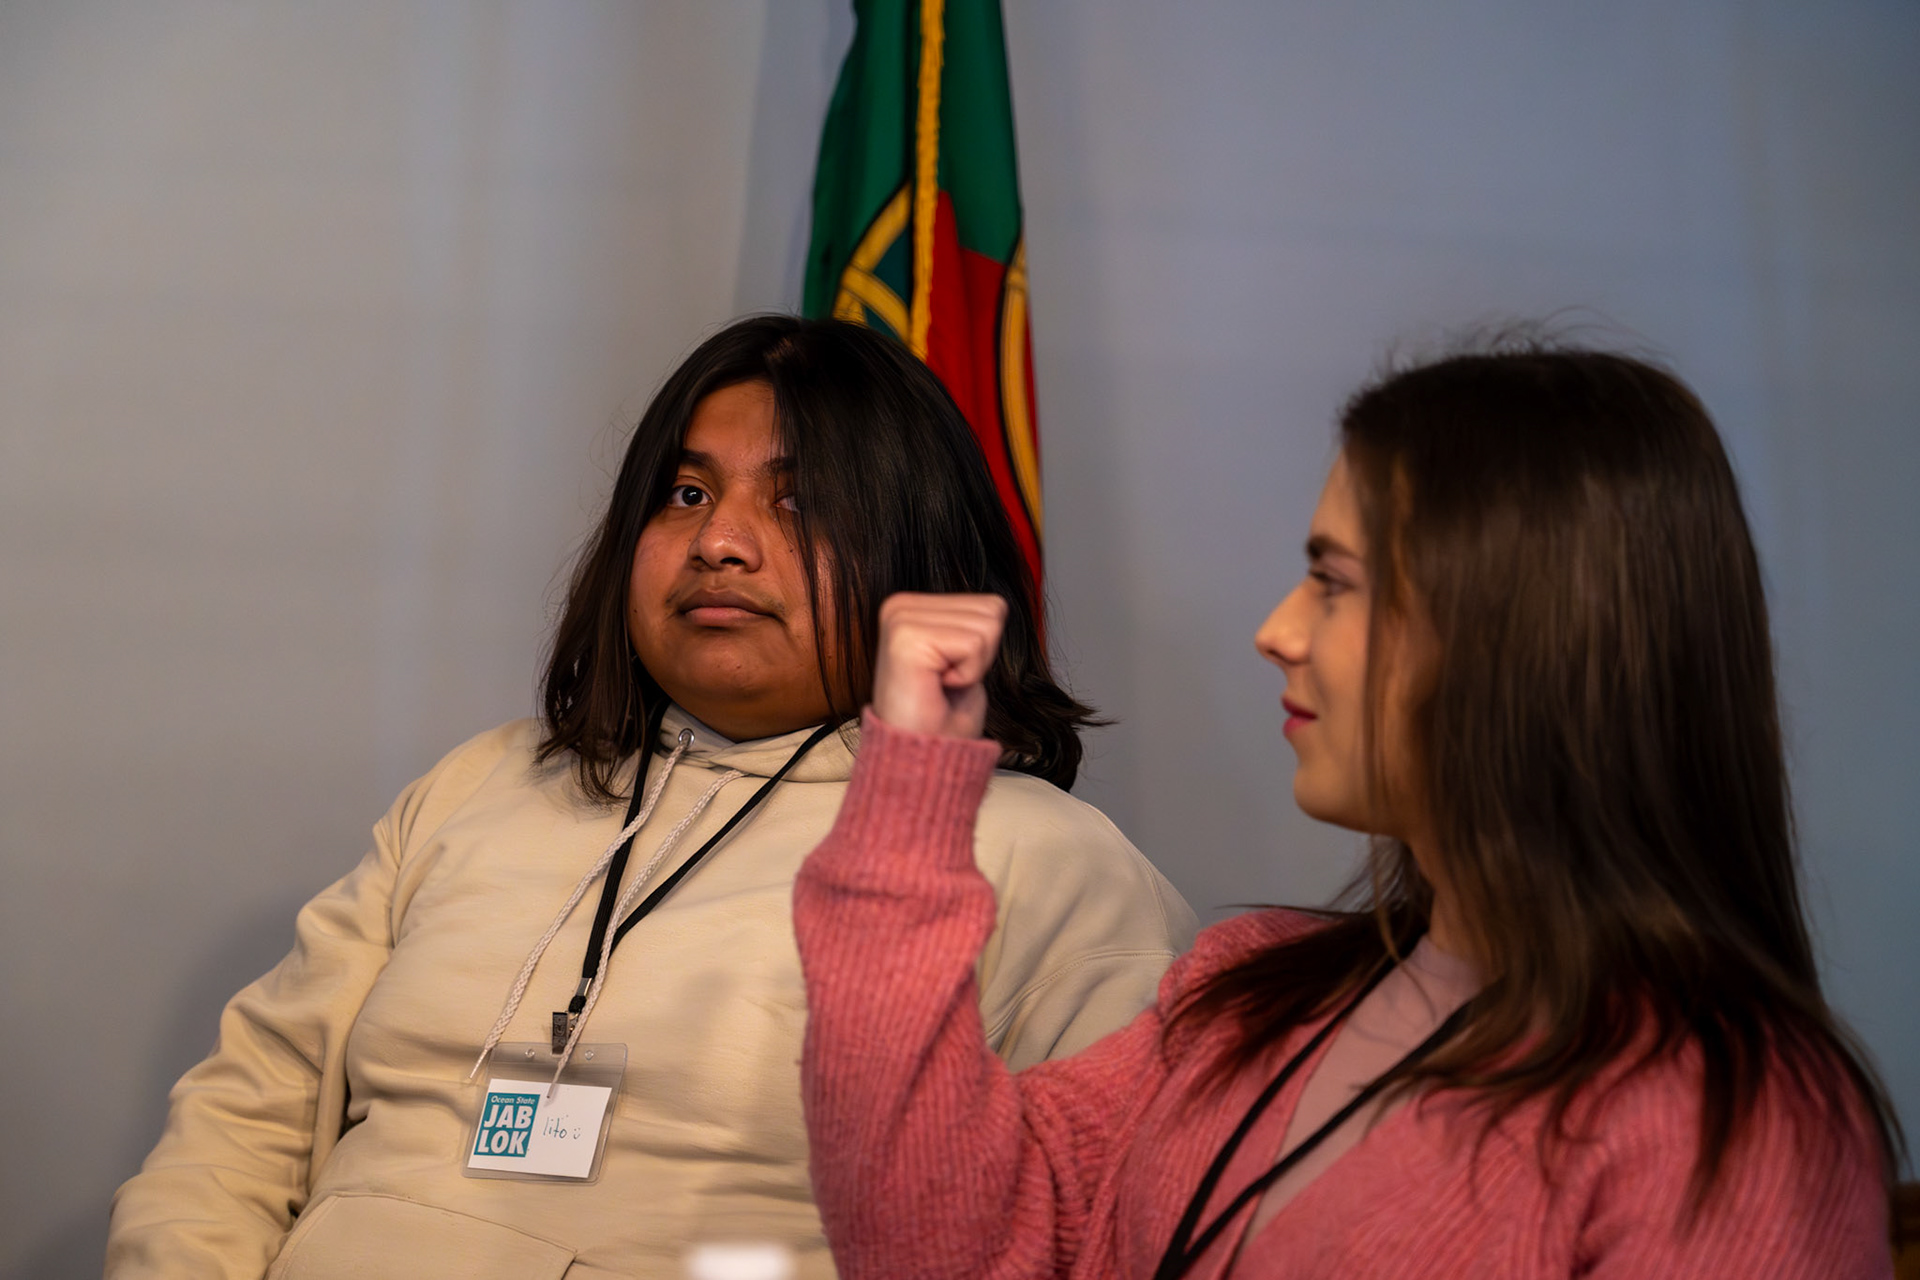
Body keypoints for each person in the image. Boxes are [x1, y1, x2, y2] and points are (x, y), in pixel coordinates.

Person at [106, 315, 1197, 1279]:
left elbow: (1089, 1236)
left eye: (798, 502)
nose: (719, 542)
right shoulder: (481, 784)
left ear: (919, 556)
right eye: (687, 494)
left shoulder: (1049, 862)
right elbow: (247, 1117)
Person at [794, 342, 1903, 1279]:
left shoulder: (1734, 1124)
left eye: (1333, 580)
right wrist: (911, 794)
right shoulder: (1242, 995)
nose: (1278, 630)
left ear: (1514, 634)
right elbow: (946, 1243)